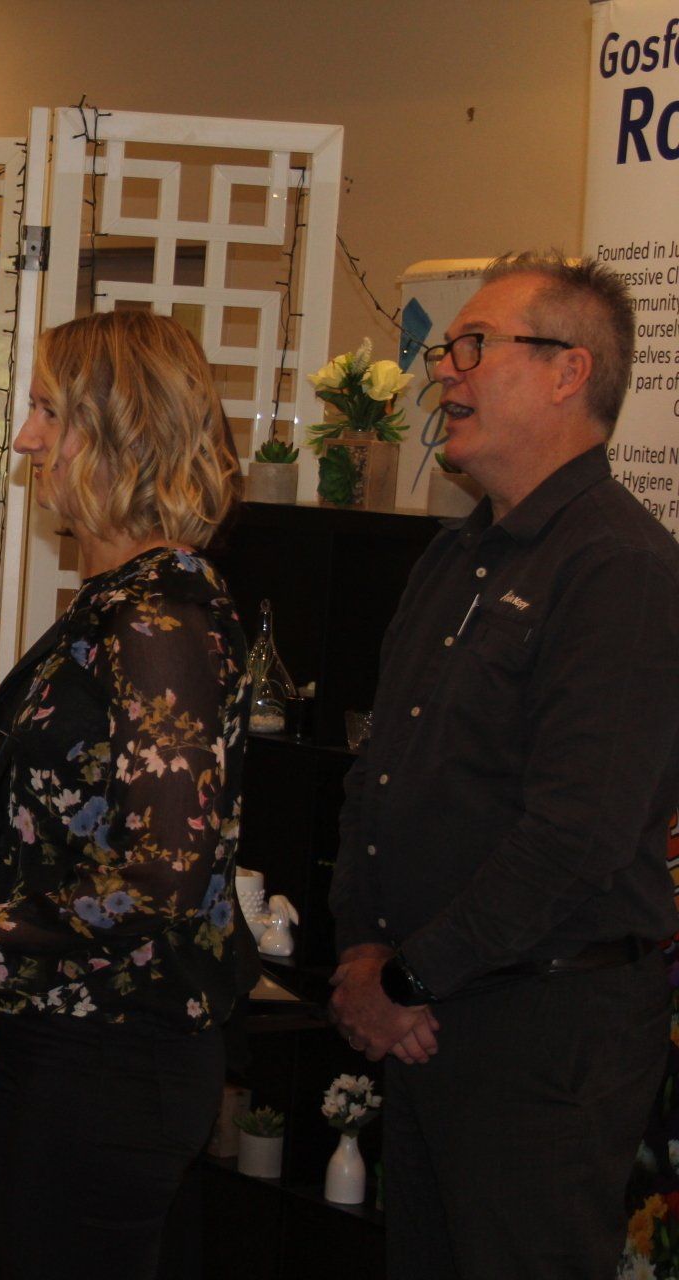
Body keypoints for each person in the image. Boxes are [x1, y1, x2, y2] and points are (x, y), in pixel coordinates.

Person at [0, 310, 247, 1279]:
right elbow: (50, 824)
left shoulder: (160, 615)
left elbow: (160, 878)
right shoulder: (120, 601)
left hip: (120, 1055)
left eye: (46, 410)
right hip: (75, 1045)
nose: (25, 436)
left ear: (123, 429)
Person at [327, 253, 679, 1280]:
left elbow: (576, 834)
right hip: (429, 1021)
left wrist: (409, 973)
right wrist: (363, 952)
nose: (448, 371)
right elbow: (377, 777)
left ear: (571, 371)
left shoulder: (622, 569)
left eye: (475, 347)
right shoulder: (454, 557)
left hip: (542, 1035)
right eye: (448, 350)